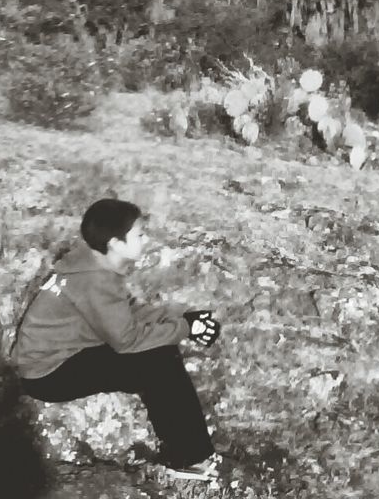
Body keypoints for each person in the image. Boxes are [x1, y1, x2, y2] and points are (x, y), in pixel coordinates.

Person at [12, 198, 223, 481]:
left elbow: (125, 310)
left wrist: (180, 317)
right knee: (158, 362)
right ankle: (185, 457)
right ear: (115, 243)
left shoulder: (91, 262)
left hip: (56, 356)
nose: (145, 239)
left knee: (160, 350)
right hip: (48, 374)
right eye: (139, 234)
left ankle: (189, 448)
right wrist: (185, 328)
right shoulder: (95, 280)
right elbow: (127, 340)